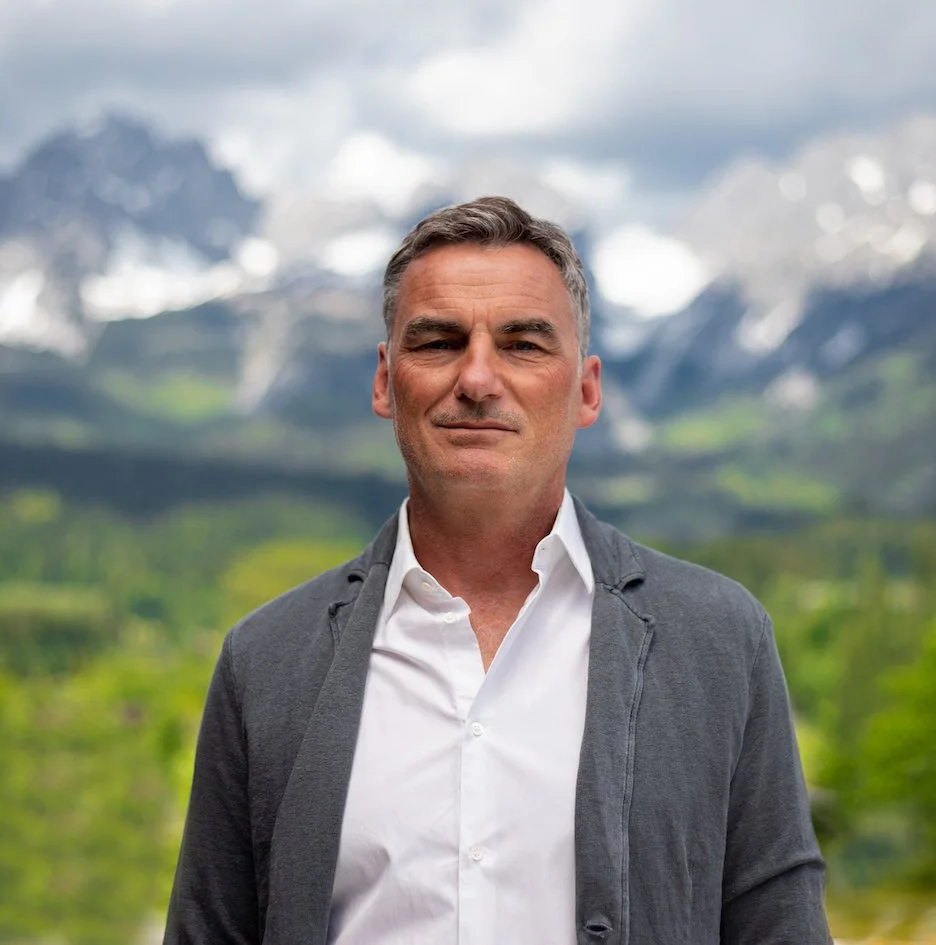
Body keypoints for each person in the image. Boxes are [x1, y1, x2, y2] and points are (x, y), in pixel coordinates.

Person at [163, 196, 830, 944]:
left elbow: (781, 927)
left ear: (585, 389)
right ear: (385, 382)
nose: (477, 378)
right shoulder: (266, 661)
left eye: (522, 344)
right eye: (439, 341)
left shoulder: (718, 639)